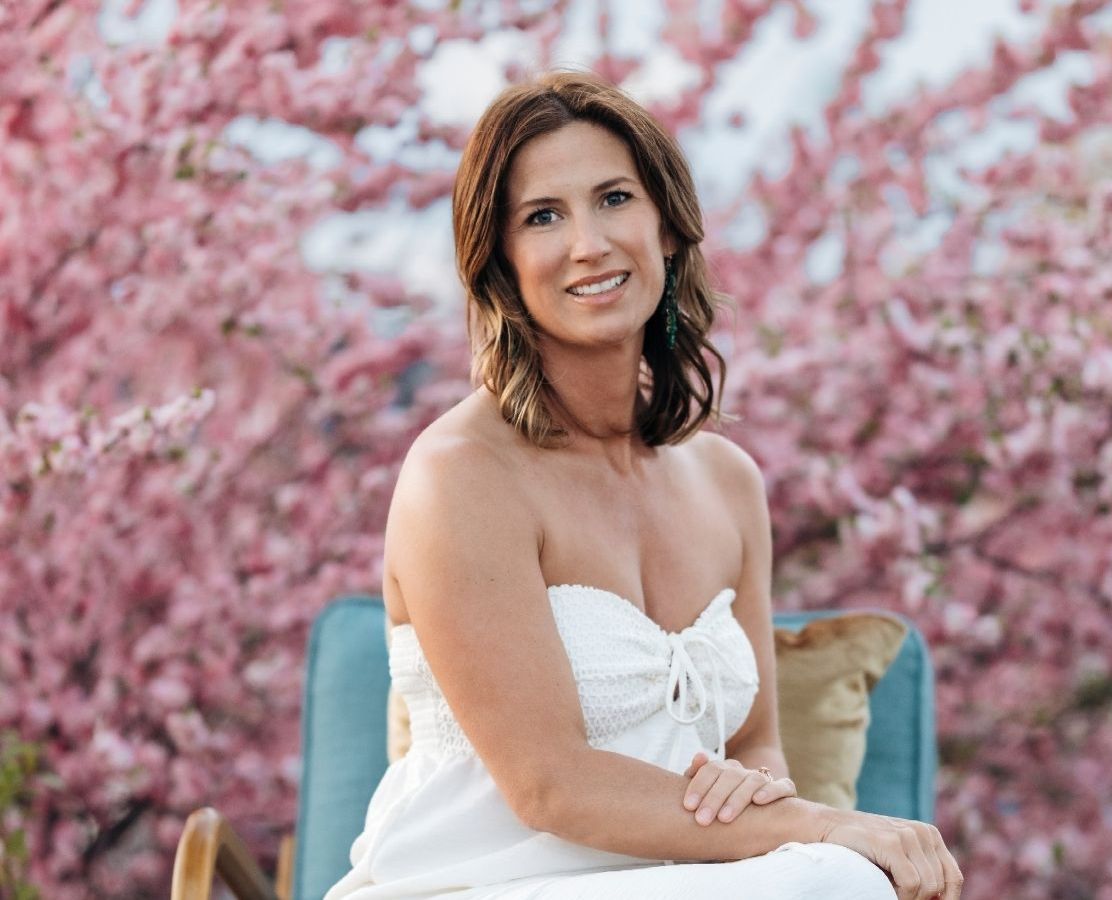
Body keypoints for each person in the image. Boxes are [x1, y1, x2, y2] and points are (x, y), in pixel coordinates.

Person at [326, 70, 963, 900]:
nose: (588, 243)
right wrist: (815, 827)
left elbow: (758, 744)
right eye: (543, 216)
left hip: (682, 879)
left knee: (845, 877)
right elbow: (549, 786)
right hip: (469, 884)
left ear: (666, 226)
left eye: (614, 199)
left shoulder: (729, 483)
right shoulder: (459, 476)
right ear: (501, 261)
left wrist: (772, 804)